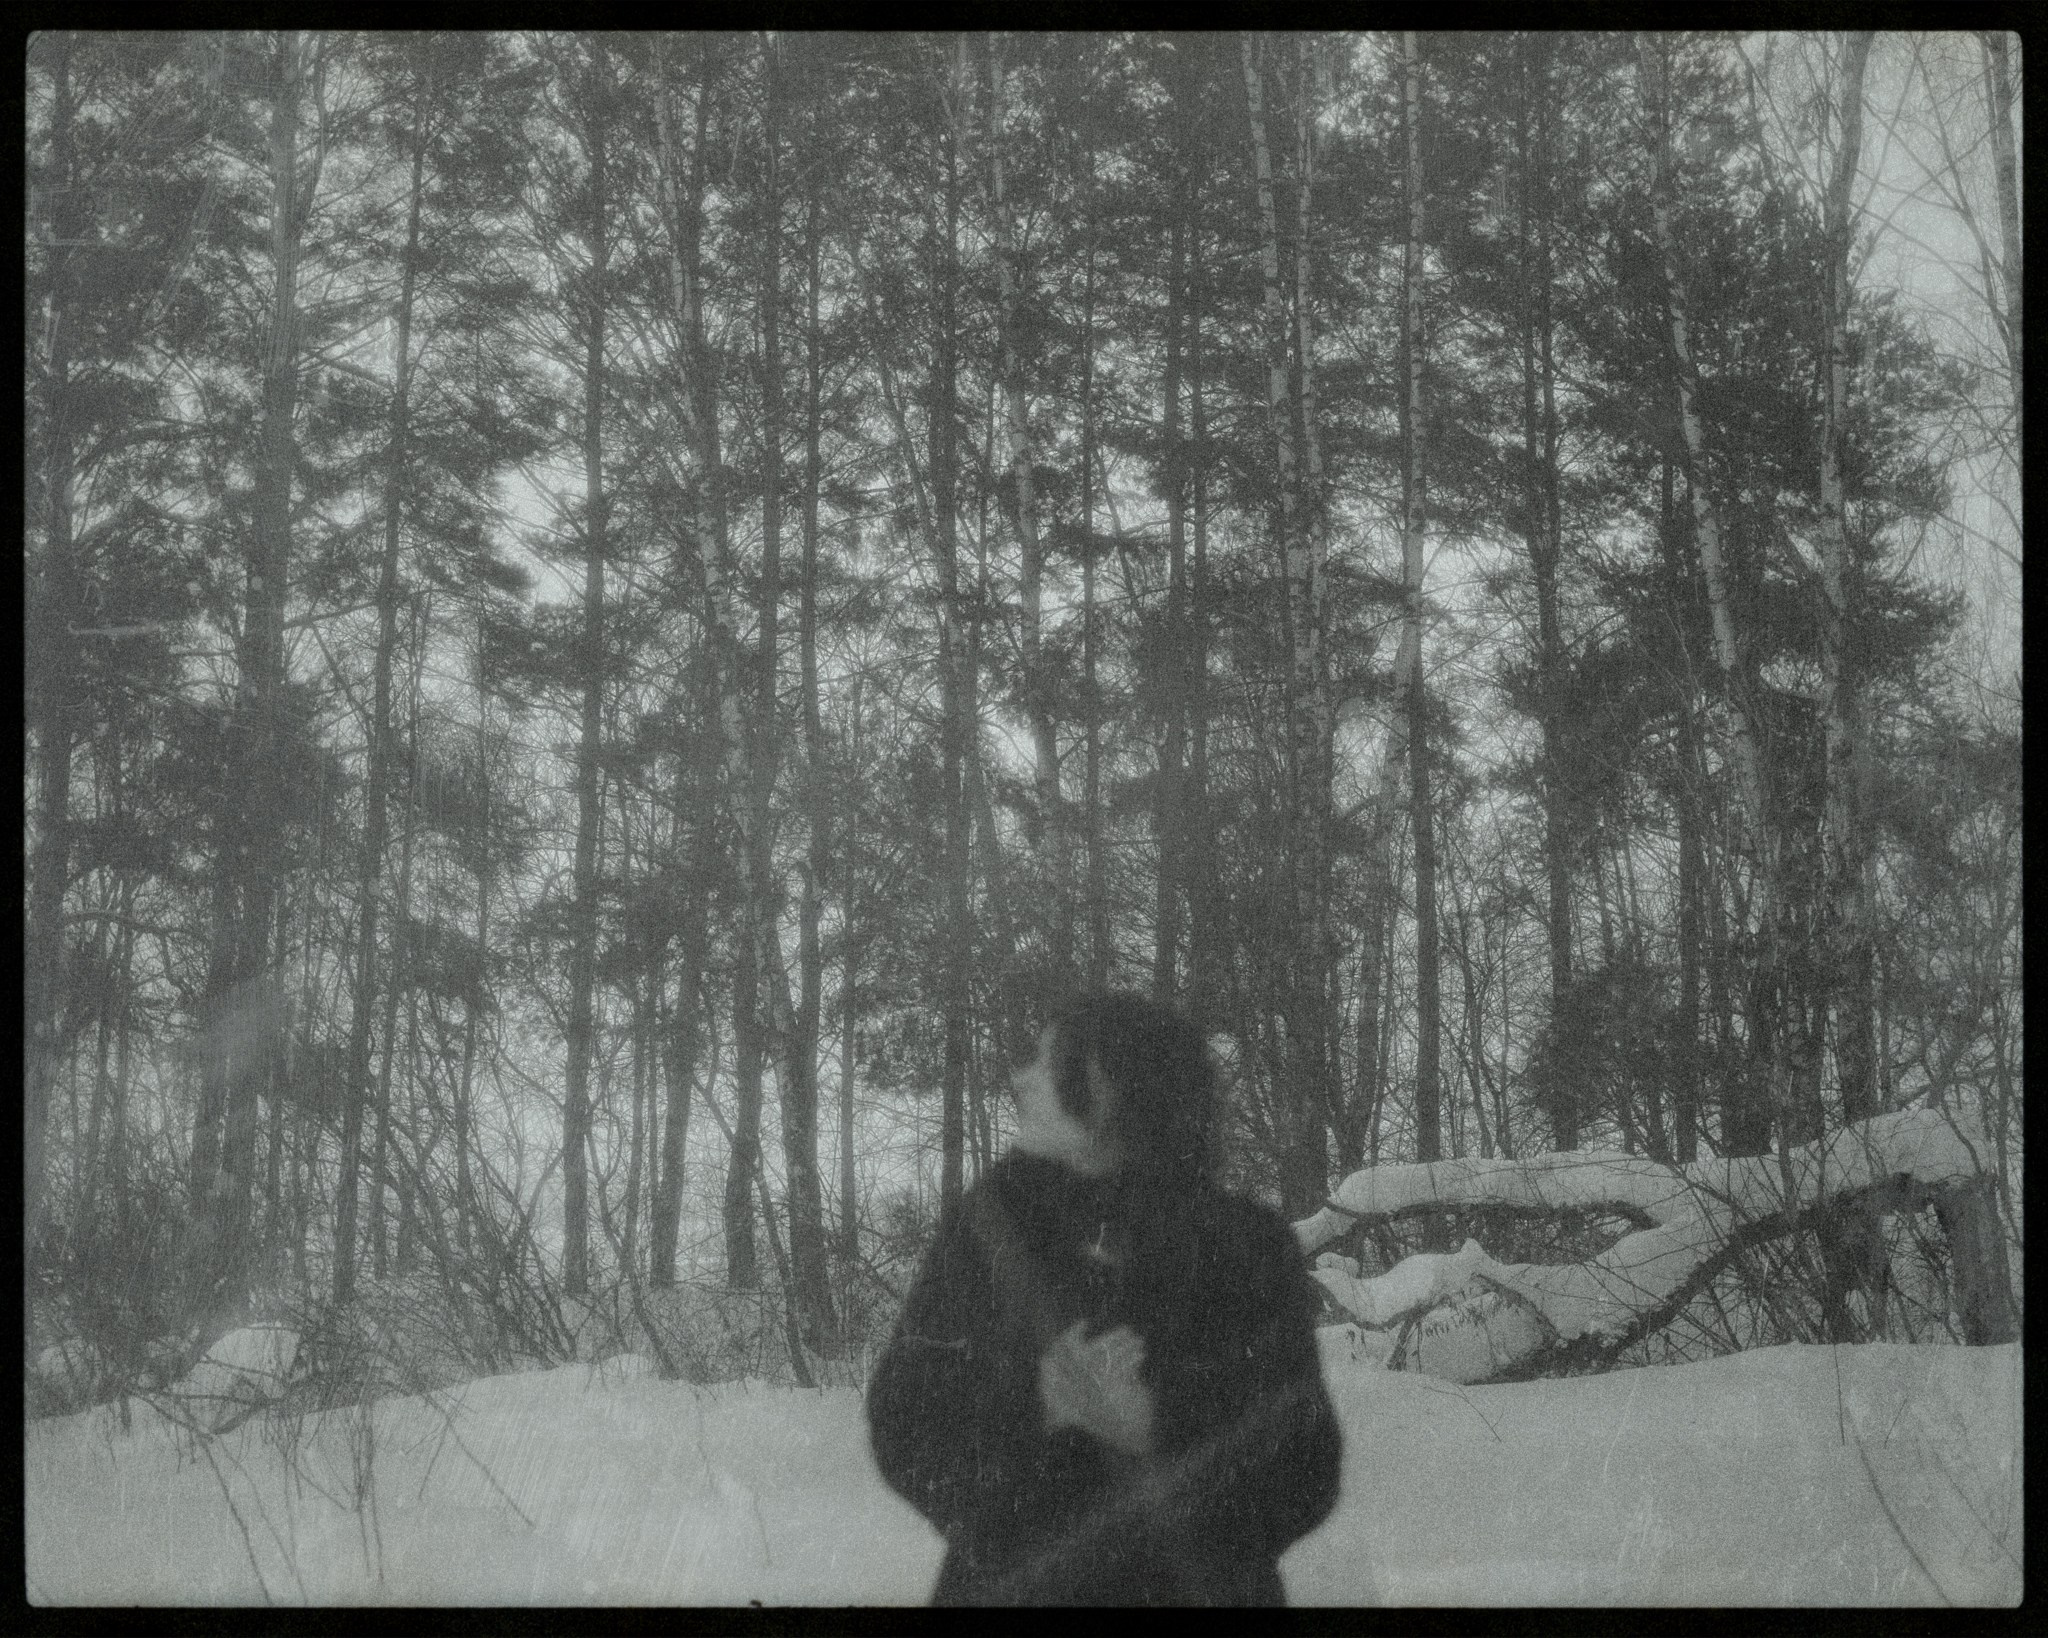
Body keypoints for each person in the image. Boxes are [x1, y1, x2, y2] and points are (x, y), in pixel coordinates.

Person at [866, 992, 1342, 1605]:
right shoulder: (988, 1229)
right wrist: (1035, 1406)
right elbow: (903, 1425)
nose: (1019, 1078)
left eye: (1049, 1059)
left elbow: (1305, 1472)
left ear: (1117, 1086)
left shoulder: (1242, 1244)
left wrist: (1153, 1427)